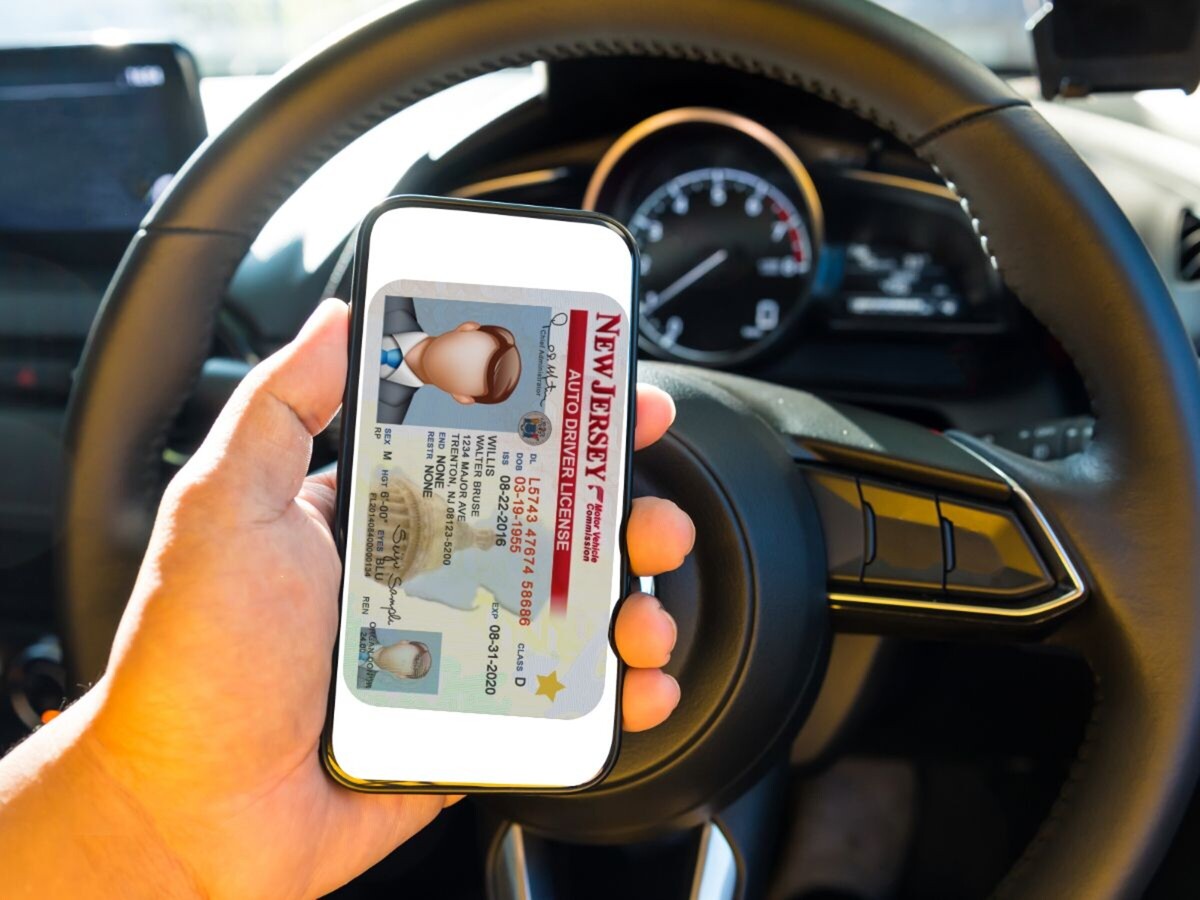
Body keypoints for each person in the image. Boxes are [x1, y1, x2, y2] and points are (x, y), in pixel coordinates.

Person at [0, 299, 695, 897]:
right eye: (478, 359)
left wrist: (146, 823)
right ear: (462, 332)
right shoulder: (394, 351)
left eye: (482, 380)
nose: (468, 374)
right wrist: (143, 812)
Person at [378, 295, 521, 423]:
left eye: (466, 374)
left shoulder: (383, 419)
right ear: (467, 327)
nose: (457, 362)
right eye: (468, 350)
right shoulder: (391, 296)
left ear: (463, 398)